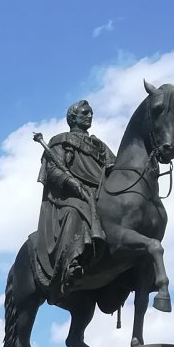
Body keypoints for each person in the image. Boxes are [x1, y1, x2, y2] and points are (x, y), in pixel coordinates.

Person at [34, 99, 115, 294]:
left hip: (99, 193)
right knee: (74, 211)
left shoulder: (100, 145)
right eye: (85, 113)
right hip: (70, 195)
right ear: (73, 117)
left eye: (90, 114)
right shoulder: (60, 141)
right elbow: (53, 171)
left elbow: (115, 167)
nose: (89, 116)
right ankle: (71, 262)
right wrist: (73, 184)